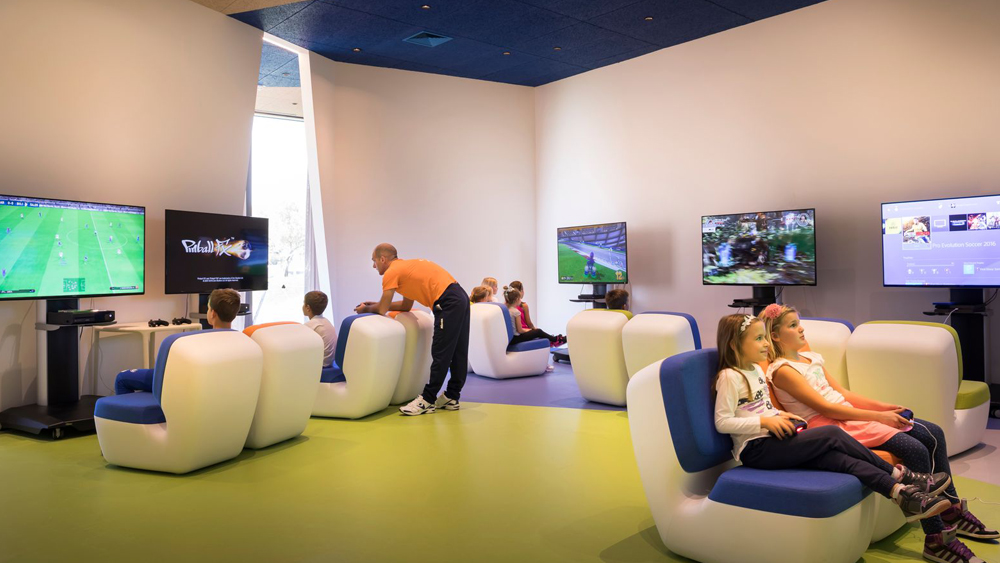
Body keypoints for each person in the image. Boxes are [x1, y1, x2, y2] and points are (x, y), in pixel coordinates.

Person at [762, 304, 997, 562]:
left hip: (846, 413)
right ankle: (936, 538)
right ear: (775, 335)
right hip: (831, 425)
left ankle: (951, 509)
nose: (801, 329)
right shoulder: (783, 371)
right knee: (915, 448)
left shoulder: (810, 357)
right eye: (793, 325)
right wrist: (880, 417)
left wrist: (885, 407)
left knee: (934, 432)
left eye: (799, 323)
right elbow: (825, 408)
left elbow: (843, 394)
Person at [713, 313, 952, 526]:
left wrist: (779, 415)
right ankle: (900, 475)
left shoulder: (755, 370)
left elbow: (759, 408)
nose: (765, 343)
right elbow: (722, 422)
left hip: (773, 439)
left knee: (841, 460)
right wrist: (764, 422)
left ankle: (901, 494)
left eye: (764, 337)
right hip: (755, 449)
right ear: (735, 344)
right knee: (833, 435)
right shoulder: (729, 377)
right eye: (758, 339)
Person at [355, 244, 469, 416]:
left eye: (374, 261)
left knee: (441, 351)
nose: (373, 266)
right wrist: (376, 304)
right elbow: (406, 305)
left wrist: (367, 308)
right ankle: (452, 396)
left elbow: (382, 309)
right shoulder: (406, 269)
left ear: (382, 259)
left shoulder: (391, 273)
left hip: (447, 301)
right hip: (459, 295)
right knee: (458, 350)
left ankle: (427, 399)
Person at [113, 289, 240, 395]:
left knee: (122, 378)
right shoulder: (242, 342)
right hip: (213, 392)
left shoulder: (198, 341)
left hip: (179, 384)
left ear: (212, 313)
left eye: (208, 308)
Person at [303, 290, 337, 368]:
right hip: (330, 362)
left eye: (303, 303)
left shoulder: (310, 325)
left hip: (322, 366)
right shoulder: (326, 321)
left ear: (308, 308)